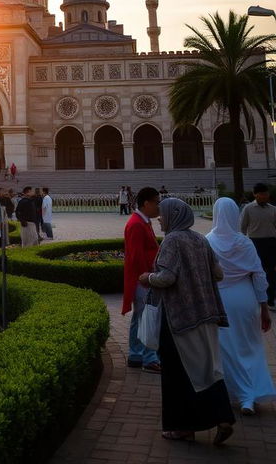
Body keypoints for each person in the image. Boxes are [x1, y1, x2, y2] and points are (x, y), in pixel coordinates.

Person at [139, 198, 235, 444]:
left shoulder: (173, 240)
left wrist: (148, 277)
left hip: (179, 318)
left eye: (163, 214)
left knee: (177, 373)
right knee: (208, 369)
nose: (160, 218)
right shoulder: (200, 239)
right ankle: (223, 417)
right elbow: (219, 273)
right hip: (206, 314)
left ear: (173, 216)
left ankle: (182, 427)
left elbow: (167, 278)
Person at [206, 197, 275, 415]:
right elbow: (259, 275)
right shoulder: (244, 242)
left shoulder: (208, 241)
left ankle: (237, 393)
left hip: (221, 299)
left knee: (226, 348)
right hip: (245, 299)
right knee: (250, 346)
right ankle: (249, 396)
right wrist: (264, 306)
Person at [122, 186, 161, 373]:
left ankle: (137, 354)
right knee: (144, 318)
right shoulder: (137, 223)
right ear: (146, 203)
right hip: (143, 279)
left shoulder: (143, 221)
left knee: (142, 317)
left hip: (145, 277)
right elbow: (136, 256)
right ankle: (146, 356)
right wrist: (147, 277)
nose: (158, 207)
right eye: (156, 202)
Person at [240, 182, 276, 311]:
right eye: (262, 194)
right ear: (255, 194)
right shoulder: (248, 209)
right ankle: (257, 298)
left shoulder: (273, 209)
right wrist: (242, 246)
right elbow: (242, 228)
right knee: (257, 271)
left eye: (266, 193)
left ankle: (270, 299)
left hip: (271, 243)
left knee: (271, 272)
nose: (265, 196)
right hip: (255, 244)